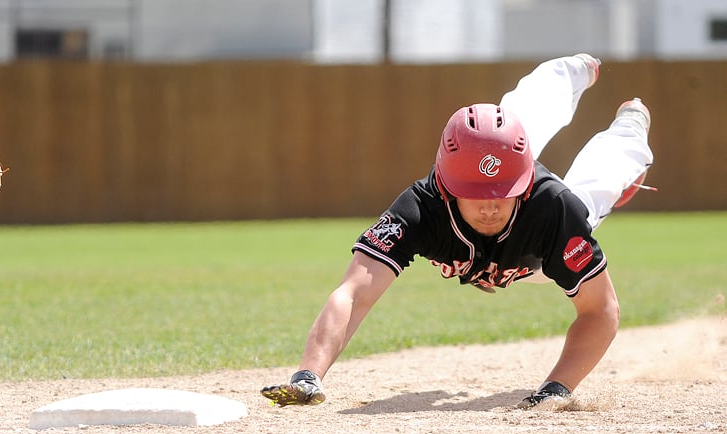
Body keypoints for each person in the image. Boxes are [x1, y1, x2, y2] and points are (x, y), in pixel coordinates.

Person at [261, 53, 655, 408]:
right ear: (447, 189)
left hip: (536, 263)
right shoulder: (420, 208)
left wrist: (556, 388)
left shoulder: (552, 207)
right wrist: (307, 374)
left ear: (524, 181)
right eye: (475, 193)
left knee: (592, 186)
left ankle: (630, 126)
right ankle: (572, 70)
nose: (489, 206)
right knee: (493, 131)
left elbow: (601, 311)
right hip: (503, 244)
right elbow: (354, 295)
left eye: (502, 193)